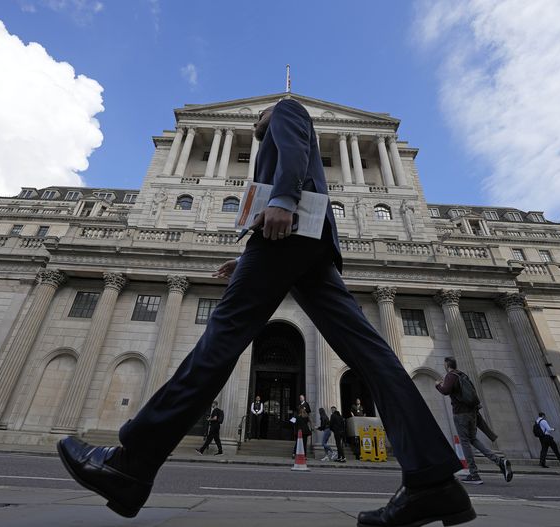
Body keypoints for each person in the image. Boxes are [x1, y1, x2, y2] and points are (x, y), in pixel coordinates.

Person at [57, 98, 475, 526]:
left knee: (220, 341)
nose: (254, 118)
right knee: (372, 355)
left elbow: (293, 158)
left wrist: (284, 200)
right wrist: (251, 257)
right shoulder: (275, 142)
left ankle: (131, 462)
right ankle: (433, 482)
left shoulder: (287, 111)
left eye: (257, 114)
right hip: (305, 242)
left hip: (287, 234)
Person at [436, 357, 513, 485]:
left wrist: (438, 385)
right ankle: (499, 461)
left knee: (465, 442)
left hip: (461, 414)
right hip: (472, 413)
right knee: (473, 440)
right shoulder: (463, 375)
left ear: (447, 365)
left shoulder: (451, 375)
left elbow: (445, 391)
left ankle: (474, 474)